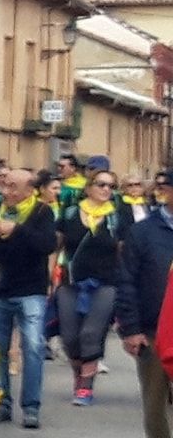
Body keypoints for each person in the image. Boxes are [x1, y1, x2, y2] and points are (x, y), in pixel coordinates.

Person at [0, 168, 57, 430]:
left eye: (13, 187)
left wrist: (16, 229)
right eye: (5, 185)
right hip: (1, 290)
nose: (7, 192)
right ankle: (1, 403)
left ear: (29, 190)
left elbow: (47, 244)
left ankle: (31, 407)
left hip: (31, 291)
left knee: (33, 347)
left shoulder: (41, 212)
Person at [55, 166, 129, 406]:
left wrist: (126, 282)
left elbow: (123, 251)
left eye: (111, 186)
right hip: (71, 281)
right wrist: (50, 277)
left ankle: (86, 387)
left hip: (105, 283)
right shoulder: (70, 214)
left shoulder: (117, 216)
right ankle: (80, 374)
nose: (106, 189)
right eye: (101, 184)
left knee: (91, 333)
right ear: (88, 188)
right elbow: (57, 245)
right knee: (69, 336)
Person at [116, 169, 173, 438]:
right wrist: (131, 329)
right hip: (154, 326)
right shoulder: (143, 232)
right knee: (155, 392)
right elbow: (126, 281)